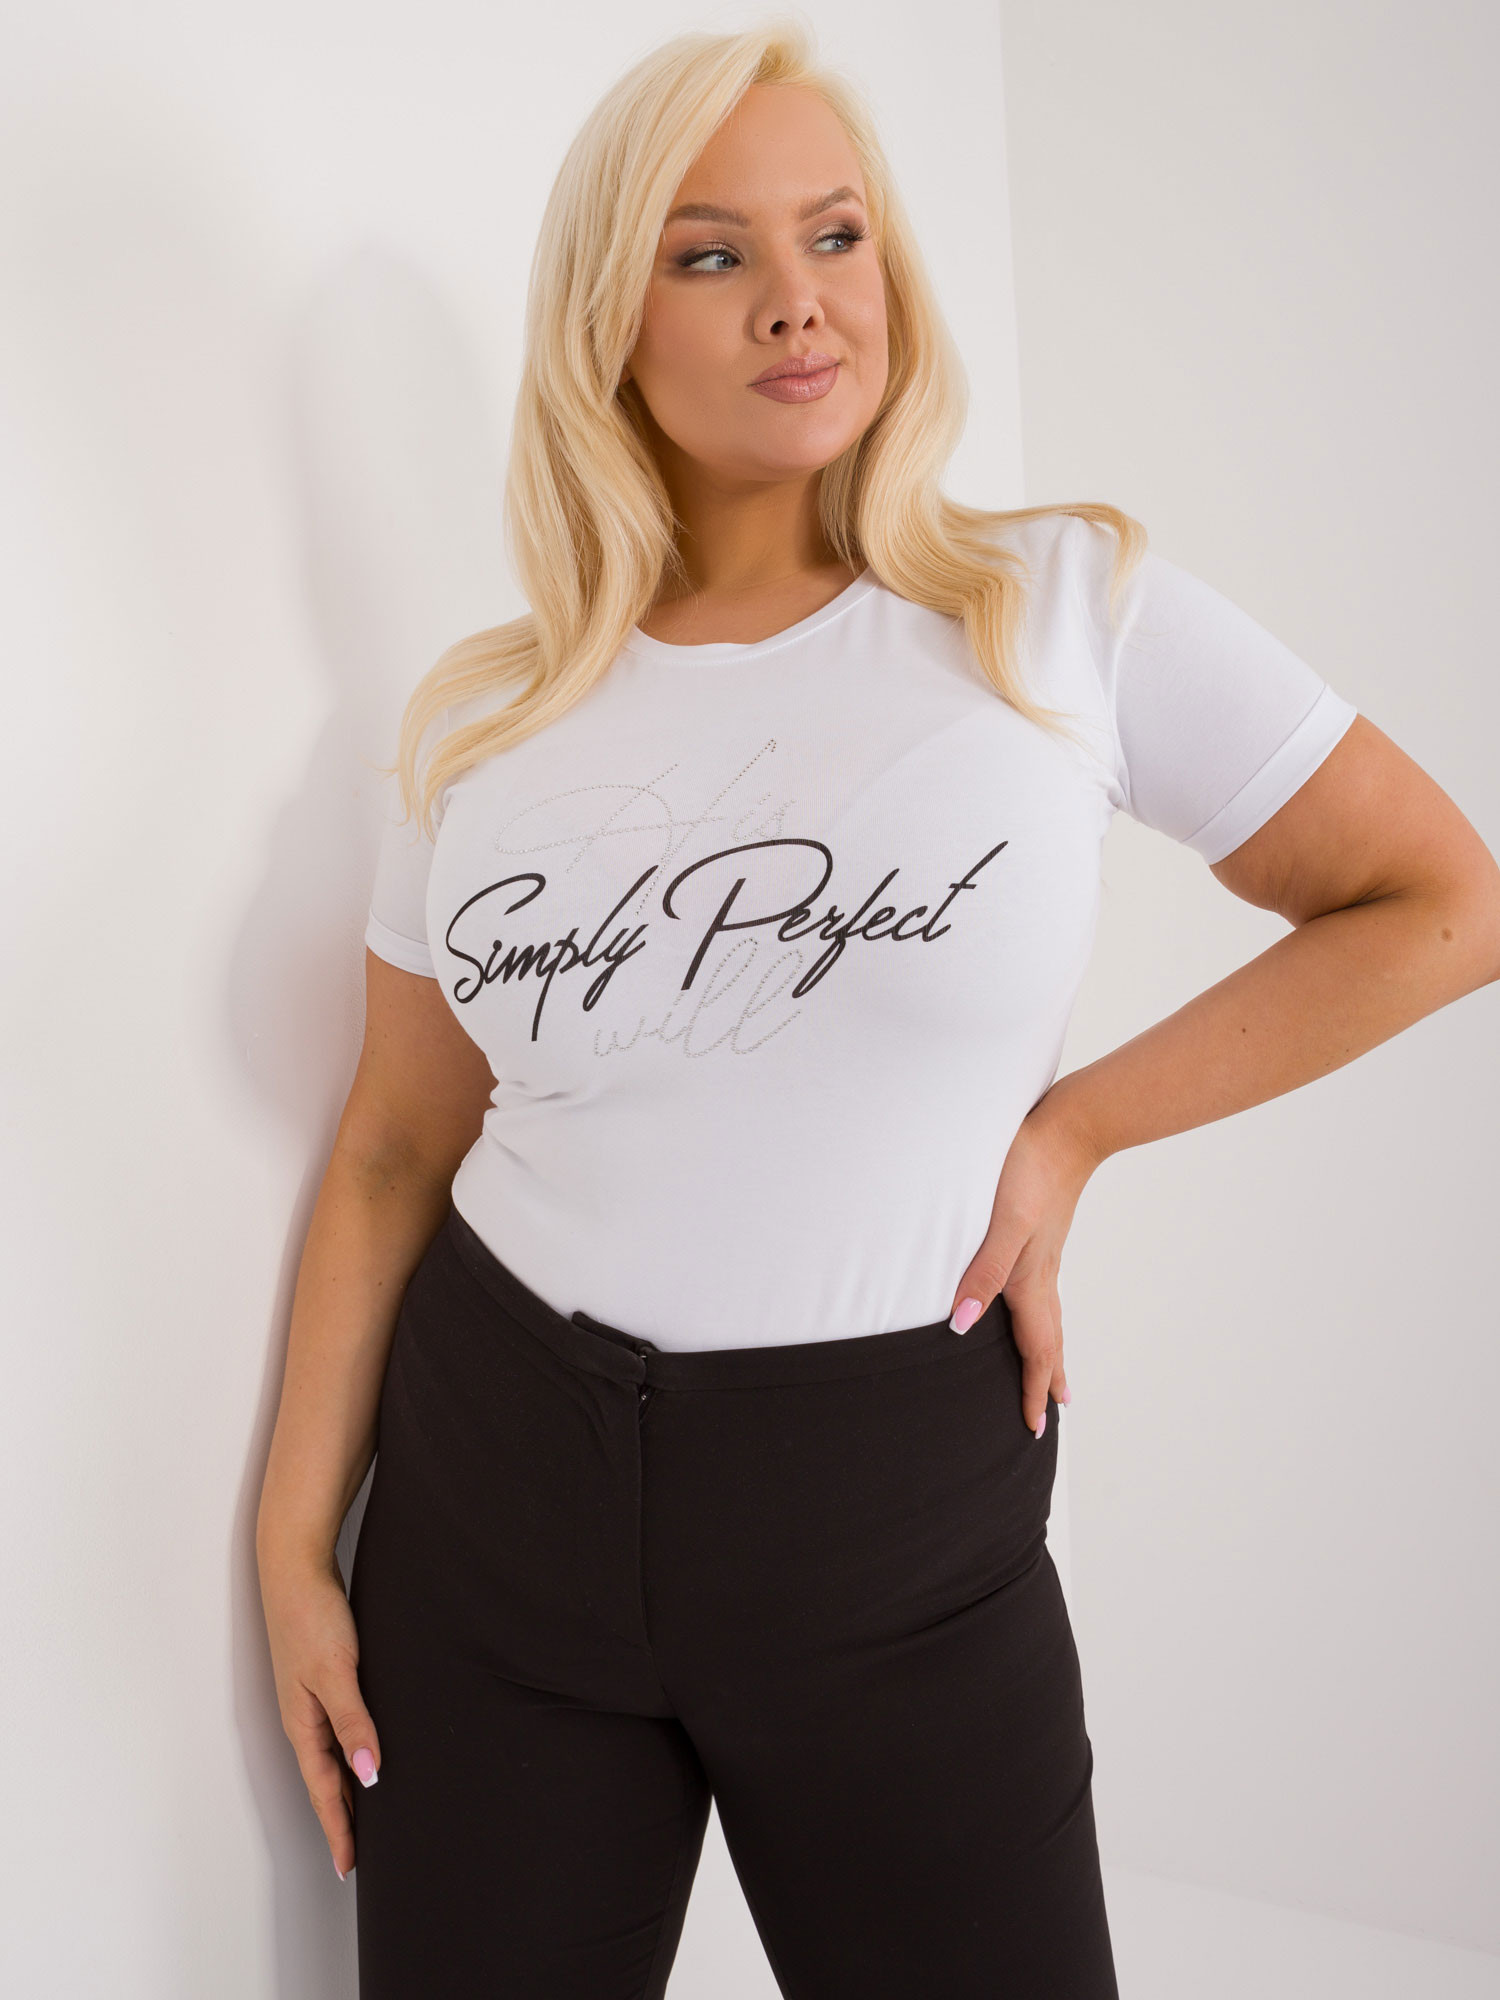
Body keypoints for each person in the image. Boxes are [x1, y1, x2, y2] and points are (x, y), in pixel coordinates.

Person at [255, 22, 1500, 2000]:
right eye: (712, 253)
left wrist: (1075, 1129)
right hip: (492, 1510)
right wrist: (292, 1540)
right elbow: (401, 1138)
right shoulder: (488, 718)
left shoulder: (1058, 610)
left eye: (835, 234)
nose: (799, 298)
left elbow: (1443, 901)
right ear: (608, 326)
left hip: (894, 1520)